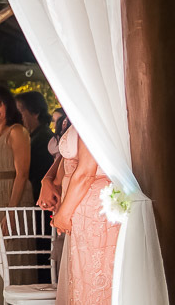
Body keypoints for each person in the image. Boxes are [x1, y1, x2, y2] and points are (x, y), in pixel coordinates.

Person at [50, 117, 120, 303]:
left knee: (93, 279)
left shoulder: (92, 117)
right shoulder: (78, 113)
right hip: (81, 207)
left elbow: (86, 173)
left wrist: (63, 215)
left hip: (93, 209)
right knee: (83, 277)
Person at [0, 85, 33, 305]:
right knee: (0, 262)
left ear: (7, 105)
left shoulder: (17, 131)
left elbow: (22, 174)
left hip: (14, 199)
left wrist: (11, 212)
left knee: (16, 258)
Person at [16, 91, 55, 200]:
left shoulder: (43, 139)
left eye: (20, 111)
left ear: (35, 112)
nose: (17, 117)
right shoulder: (33, 137)